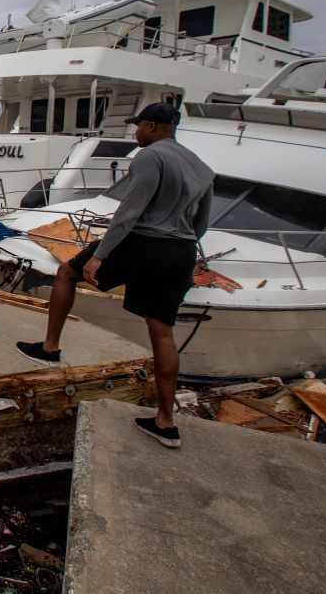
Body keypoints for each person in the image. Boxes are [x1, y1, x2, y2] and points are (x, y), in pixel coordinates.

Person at [16, 103, 213, 448]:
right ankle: (166, 422)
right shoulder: (202, 166)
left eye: (138, 126)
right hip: (180, 249)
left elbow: (129, 212)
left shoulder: (150, 157)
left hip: (143, 240)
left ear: (152, 126)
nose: (136, 132)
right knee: (162, 331)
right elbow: (201, 224)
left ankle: (49, 348)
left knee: (65, 273)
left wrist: (101, 256)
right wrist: (184, 251)